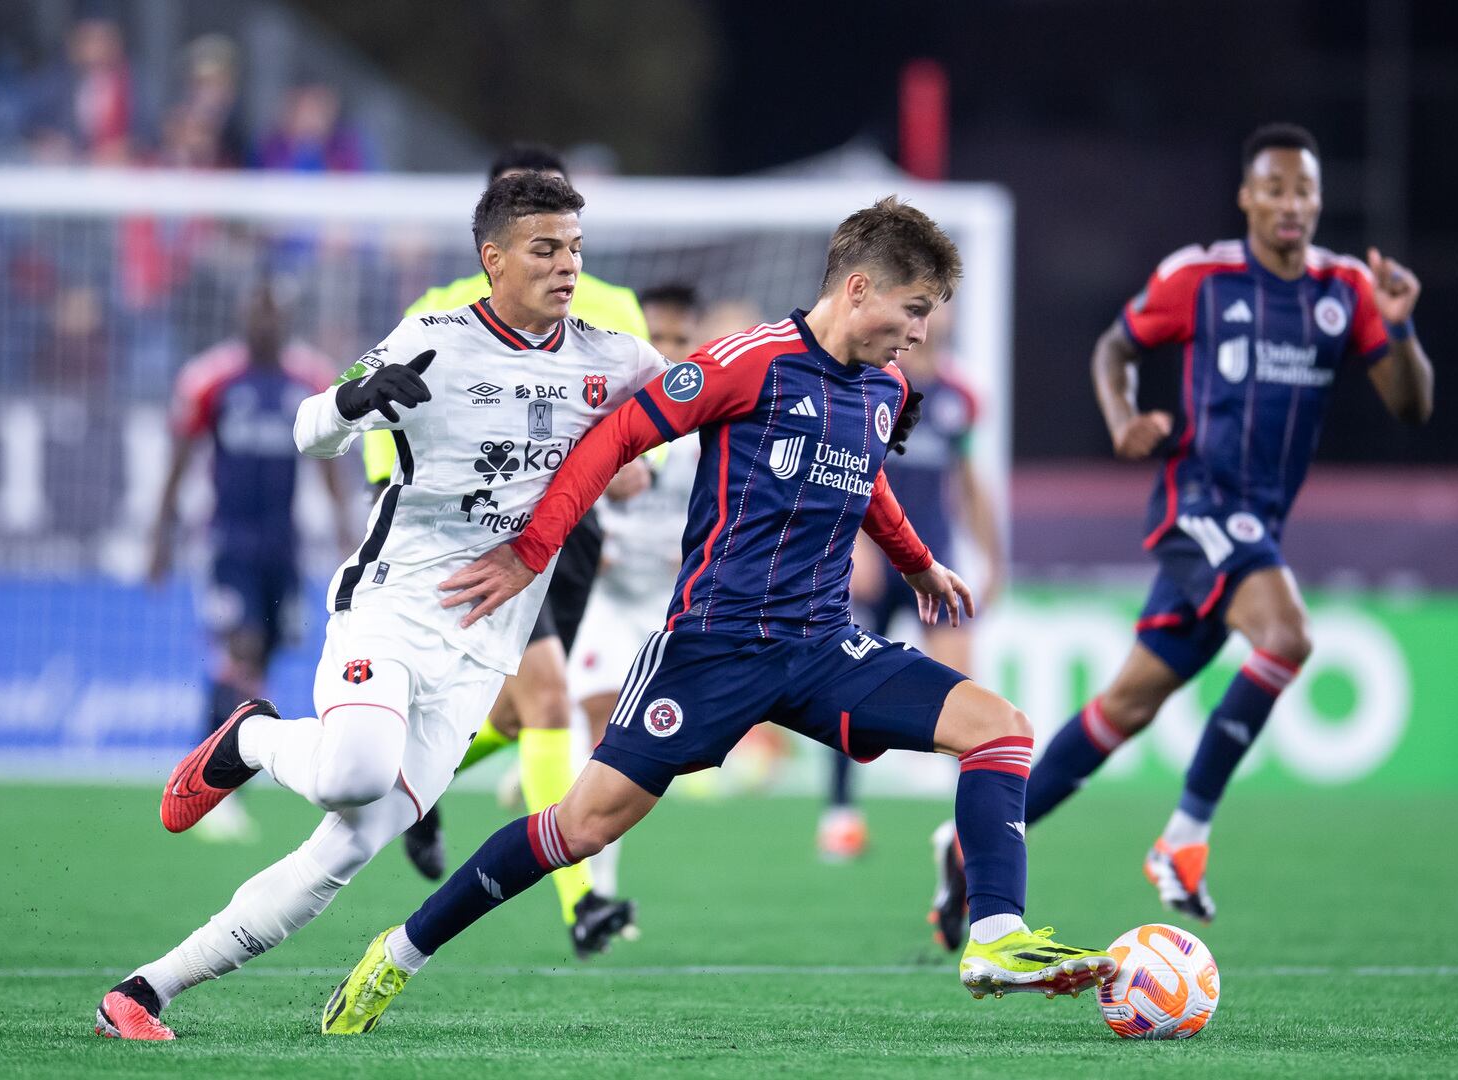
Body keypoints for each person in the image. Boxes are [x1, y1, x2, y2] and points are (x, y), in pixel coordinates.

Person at [320, 197, 1118, 1036]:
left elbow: (865, 474)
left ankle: (995, 935)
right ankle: (397, 955)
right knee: (581, 826)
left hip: (823, 645)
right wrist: (531, 550)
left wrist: (919, 563)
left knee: (1001, 728)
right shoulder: (749, 363)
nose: (920, 332)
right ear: (857, 289)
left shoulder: (884, 387)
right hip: (711, 649)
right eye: (914, 309)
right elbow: (616, 435)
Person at [93, 171, 670, 1042]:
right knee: (353, 771)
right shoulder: (433, 339)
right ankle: (251, 736)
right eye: (546, 249)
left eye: (575, 251)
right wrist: (354, 399)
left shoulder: (614, 358)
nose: (567, 268)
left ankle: (143, 992)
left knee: (346, 851)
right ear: (494, 259)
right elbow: (307, 427)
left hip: (483, 650)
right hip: (394, 604)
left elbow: (715, 402)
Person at [971, 123, 1433, 940]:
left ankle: (966, 849)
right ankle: (1183, 836)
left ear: (1319, 201)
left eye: (1305, 191)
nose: (1293, 204)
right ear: (1248, 197)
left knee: (1127, 705)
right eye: (1277, 189)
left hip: (1259, 526)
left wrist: (1398, 327)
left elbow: (1411, 406)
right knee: (1287, 638)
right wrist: (1120, 419)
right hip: (1199, 508)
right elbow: (1114, 346)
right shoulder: (1201, 277)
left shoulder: (1350, 291)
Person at [384, 142, 644, 957]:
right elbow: (384, 431)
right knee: (549, 701)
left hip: (574, 534)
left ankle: (414, 793)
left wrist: (636, 471)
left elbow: (647, 417)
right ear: (491, 238)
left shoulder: (611, 308)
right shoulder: (445, 309)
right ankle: (582, 899)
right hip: (475, 536)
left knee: (512, 713)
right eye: (533, 234)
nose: (557, 256)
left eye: (564, 236)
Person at [149, 283, 355, 840]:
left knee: (261, 660)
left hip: (282, 546)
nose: (266, 326)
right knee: (237, 653)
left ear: (287, 321)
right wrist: (159, 538)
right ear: (242, 318)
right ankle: (204, 789)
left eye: (276, 317)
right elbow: (180, 458)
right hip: (229, 544)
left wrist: (345, 534)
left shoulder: (310, 378)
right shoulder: (210, 379)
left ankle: (212, 777)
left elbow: (330, 462)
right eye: (256, 315)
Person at [822, 304, 1004, 862]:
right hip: (873, 562)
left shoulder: (960, 398)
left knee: (963, 687)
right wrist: (855, 544)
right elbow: (842, 466)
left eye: (946, 302)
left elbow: (968, 483)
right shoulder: (876, 385)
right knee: (844, 690)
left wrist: (994, 558)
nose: (937, 314)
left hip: (936, 563)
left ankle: (968, 826)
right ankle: (840, 813)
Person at [564, 283, 703, 909]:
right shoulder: (609, 414)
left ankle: (536, 771)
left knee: (638, 743)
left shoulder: (707, 428)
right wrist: (594, 543)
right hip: (604, 594)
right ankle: (597, 892)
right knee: (603, 718)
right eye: (660, 339)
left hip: (666, 603)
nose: (670, 351)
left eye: (681, 340)